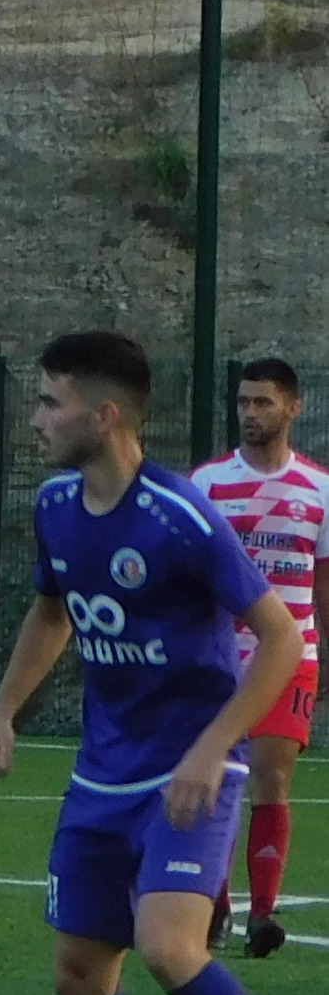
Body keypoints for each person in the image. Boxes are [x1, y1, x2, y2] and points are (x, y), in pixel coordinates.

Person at [0, 329, 318, 995]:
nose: (35, 418)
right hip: (103, 773)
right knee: (77, 973)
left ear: (104, 415)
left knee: (168, 946)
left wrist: (213, 745)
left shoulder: (178, 515)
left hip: (188, 768)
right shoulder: (56, 504)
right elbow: (51, 610)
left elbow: (280, 637)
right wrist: (4, 708)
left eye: (49, 402)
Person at [189, 355, 327, 956]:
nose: (250, 413)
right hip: (221, 659)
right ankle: (216, 905)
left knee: (272, 778)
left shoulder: (320, 489)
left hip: (290, 656)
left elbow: (323, 582)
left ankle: (264, 915)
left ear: (293, 407)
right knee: (218, 779)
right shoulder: (208, 484)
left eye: (263, 402)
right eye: (243, 402)